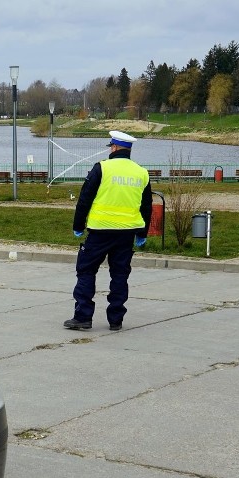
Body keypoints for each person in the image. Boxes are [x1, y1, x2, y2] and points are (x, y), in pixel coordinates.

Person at [63, 131, 152, 332]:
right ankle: (116, 319)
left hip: (100, 230)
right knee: (120, 274)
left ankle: (83, 317)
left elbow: (85, 199)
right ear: (128, 150)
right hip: (127, 232)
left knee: (86, 270)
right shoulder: (141, 172)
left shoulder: (101, 168)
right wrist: (142, 232)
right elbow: (146, 205)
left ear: (113, 147)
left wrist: (78, 226)